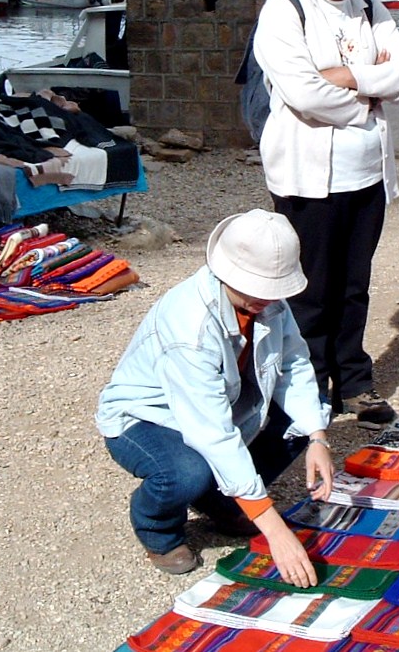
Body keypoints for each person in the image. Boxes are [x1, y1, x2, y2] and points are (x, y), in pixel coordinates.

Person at [95, 209, 334, 578]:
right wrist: (275, 530)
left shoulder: (266, 303)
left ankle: (223, 501)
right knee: (187, 472)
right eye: (258, 288)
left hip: (218, 405)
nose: (266, 298)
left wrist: (318, 439)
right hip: (146, 417)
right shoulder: (189, 326)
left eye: (272, 289)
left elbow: (294, 364)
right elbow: (212, 432)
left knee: (307, 414)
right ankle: (156, 527)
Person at [253, 0, 399, 429]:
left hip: (366, 171)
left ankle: (353, 380)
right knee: (310, 287)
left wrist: (346, 77)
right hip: (308, 173)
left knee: (354, 283)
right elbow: (301, 91)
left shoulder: (369, 6)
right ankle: (306, 386)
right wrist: (366, 101)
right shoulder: (284, 10)